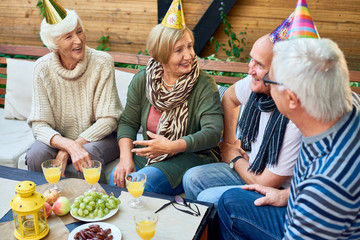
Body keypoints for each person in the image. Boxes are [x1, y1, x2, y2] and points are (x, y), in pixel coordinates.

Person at [218, 37, 360, 240]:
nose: (265, 88)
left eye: (270, 82)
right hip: (306, 208)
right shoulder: (348, 105)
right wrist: (287, 195)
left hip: (311, 220)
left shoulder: (325, 185)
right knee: (230, 201)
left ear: (291, 98)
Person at [109, 0, 223, 195]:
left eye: (189, 46)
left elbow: (213, 132)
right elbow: (128, 122)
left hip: (192, 155)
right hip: (153, 153)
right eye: (179, 50)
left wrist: (171, 146)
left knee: (144, 183)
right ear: (161, 55)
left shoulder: (203, 84)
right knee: (116, 177)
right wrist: (126, 159)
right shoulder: (143, 79)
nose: (189, 55)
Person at [182, 32, 302, 206]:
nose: (250, 69)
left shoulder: (293, 114)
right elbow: (229, 98)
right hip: (249, 166)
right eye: (251, 59)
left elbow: (268, 182)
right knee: (191, 178)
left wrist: (233, 157)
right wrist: (231, 144)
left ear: (280, 74)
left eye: (259, 64)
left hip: (278, 192)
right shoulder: (256, 84)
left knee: (208, 198)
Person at [26, 1, 122, 184]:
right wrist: (68, 145)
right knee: (37, 154)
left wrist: (72, 147)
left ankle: (92, 209)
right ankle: (47, 202)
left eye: (79, 31)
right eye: (68, 37)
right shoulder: (42, 68)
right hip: (63, 139)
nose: (78, 41)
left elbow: (109, 120)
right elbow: (39, 125)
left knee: (88, 154)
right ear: (54, 43)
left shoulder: (102, 62)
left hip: (102, 138)